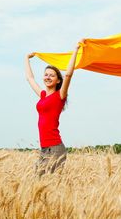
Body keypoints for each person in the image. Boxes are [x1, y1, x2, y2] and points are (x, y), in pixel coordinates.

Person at [25, 40, 83, 176]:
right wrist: (26, 58)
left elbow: (68, 74)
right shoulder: (43, 95)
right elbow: (30, 78)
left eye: (52, 75)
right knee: (37, 182)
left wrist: (75, 50)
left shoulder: (60, 96)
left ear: (58, 80)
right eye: (46, 74)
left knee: (50, 183)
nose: (48, 77)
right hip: (45, 148)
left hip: (55, 147)